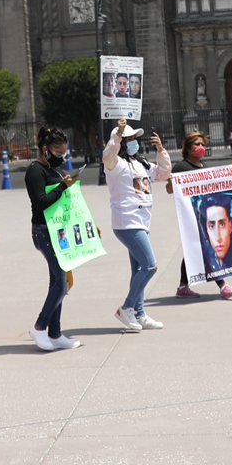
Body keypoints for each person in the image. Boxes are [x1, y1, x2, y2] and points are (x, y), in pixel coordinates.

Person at [104, 121, 170, 332]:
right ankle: (126, 308)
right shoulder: (114, 164)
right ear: (122, 142)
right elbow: (108, 155)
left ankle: (139, 315)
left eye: (135, 139)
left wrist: (161, 151)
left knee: (139, 269)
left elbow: (162, 174)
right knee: (150, 266)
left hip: (142, 221)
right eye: (129, 139)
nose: (133, 143)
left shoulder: (140, 163)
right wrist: (119, 134)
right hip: (127, 222)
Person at [25, 128, 81, 351]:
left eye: (64, 153)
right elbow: (42, 202)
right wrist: (62, 186)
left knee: (57, 282)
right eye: (58, 152)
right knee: (61, 282)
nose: (62, 157)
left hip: (58, 230)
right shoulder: (35, 171)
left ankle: (55, 333)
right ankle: (39, 327)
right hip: (43, 232)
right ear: (45, 150)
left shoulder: (53, 170)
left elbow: (64, 200)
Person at [171, 133, 232, 299]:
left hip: (205, 216)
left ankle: (183, 287)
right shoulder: (181, 167)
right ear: (188, 148)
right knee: (204, 247)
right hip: (191, 216)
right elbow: (170, 190)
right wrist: (171, 181)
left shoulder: (204, 167)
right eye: (196, 144)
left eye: (202, 144)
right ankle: (223, 287)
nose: (200, 147)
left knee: (195, 249)